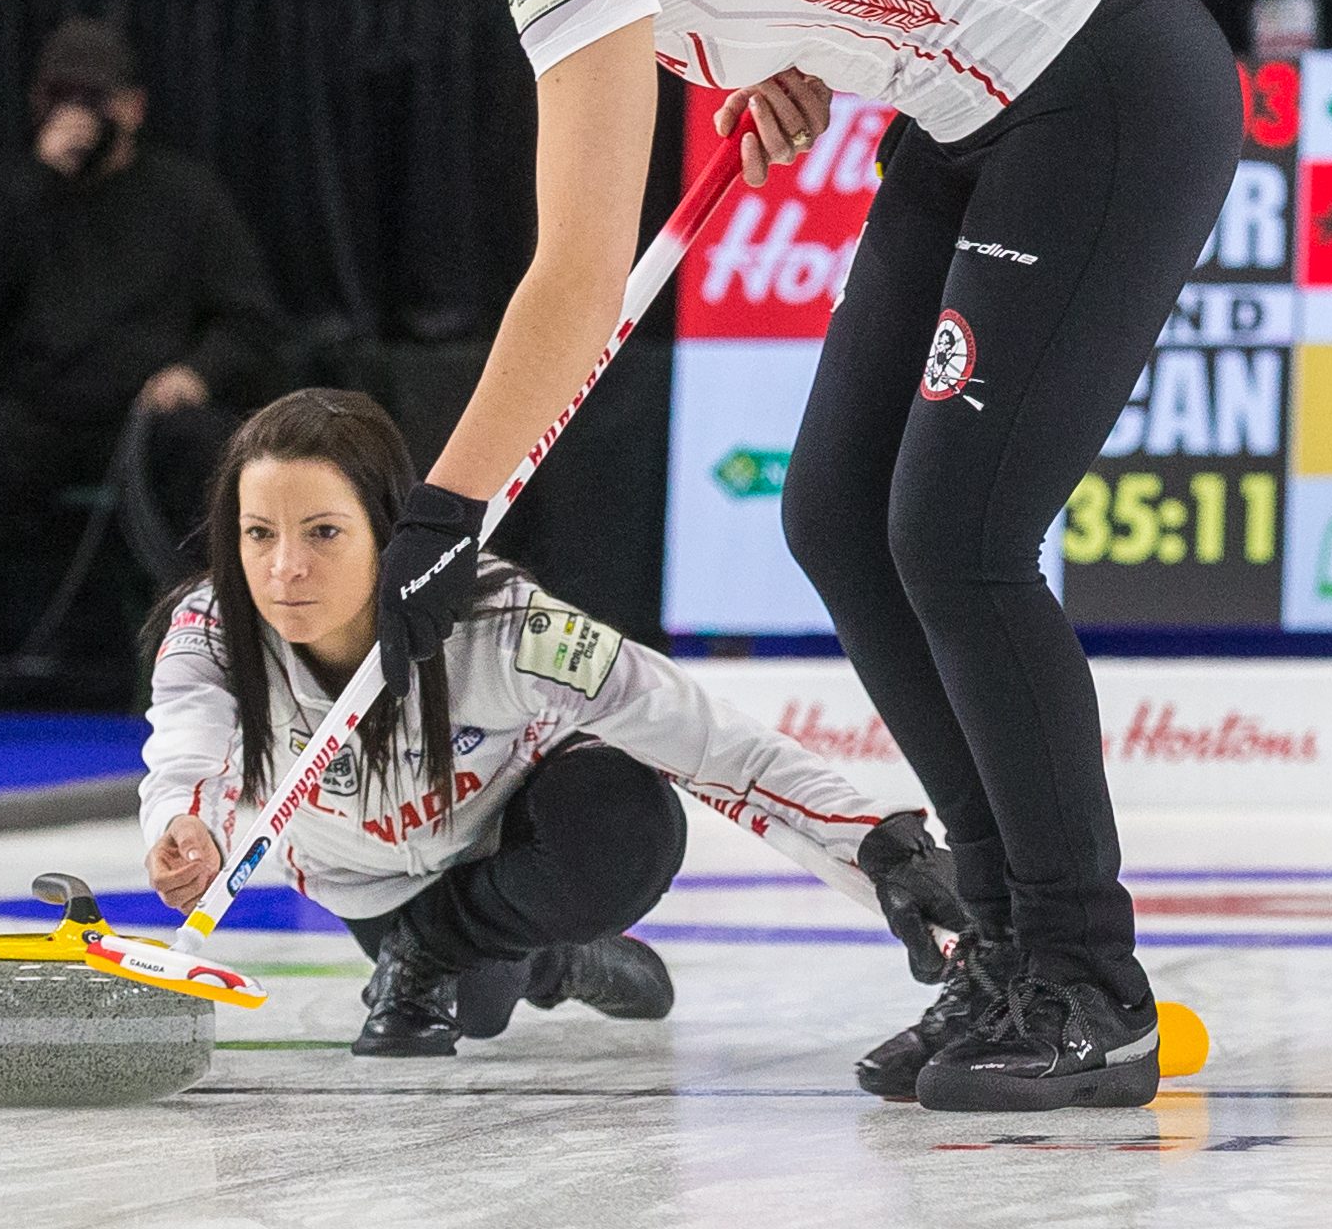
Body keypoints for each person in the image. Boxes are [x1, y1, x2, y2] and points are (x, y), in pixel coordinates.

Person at [274, 0, 1239, 1111]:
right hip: (970, 103)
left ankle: (1086, 981)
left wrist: (437, 519)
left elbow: (579, 267)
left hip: (1101, 83)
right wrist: (776, 41)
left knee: (959, 537)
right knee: (840, 517)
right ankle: (1002, 946)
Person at [140, 389, 966, 1056]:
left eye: (323, 533)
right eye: (258, 535)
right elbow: (189, 744)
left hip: (518, 840)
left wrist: (877, 847)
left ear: (389, 533)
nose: (284, 568)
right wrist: (188, 826)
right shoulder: (212, 632)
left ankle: (450, 943)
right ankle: (556, 962)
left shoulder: (503, 625)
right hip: (377, 886)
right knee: (481, 1009)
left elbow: (710, 741)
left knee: (627, 826)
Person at [0, 16, 281, 701]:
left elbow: (248, 319)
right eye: (59, 98)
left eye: (92, 99)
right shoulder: (8, 191)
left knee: (209, 450)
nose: (75, 117)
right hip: (42, 410)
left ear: (131, 108)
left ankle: (197, 651)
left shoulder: (185, 196)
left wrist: (194, 373)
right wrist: (34, 187)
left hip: (147, 416)